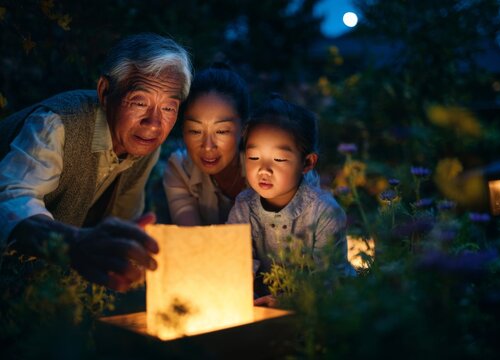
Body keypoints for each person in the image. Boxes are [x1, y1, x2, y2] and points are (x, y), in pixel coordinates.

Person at [0, 33, 192, 292]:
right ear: (104, 91)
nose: (154, 123)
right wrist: (75, 244)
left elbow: (122, 223)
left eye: (168, 108)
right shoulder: (57, 123)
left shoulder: (144, 146)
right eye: (139, 102)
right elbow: (10, 202)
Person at [227, 95, 355, 307]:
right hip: (266, 307)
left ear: (307, 162)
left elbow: (329, 279)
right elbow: (235, 262)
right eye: (254, 157)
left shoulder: (323, 212)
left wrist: (292, 301)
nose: (264, 169)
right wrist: (243, 295)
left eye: (279, 159)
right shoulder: (244, 207)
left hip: (321, 306)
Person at [163, 63, 249, 225]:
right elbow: (192, 238)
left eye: (222, 131)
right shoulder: (181, 170)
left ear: (244, 129)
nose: (208, 146)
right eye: (195, 131)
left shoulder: (269, 166)